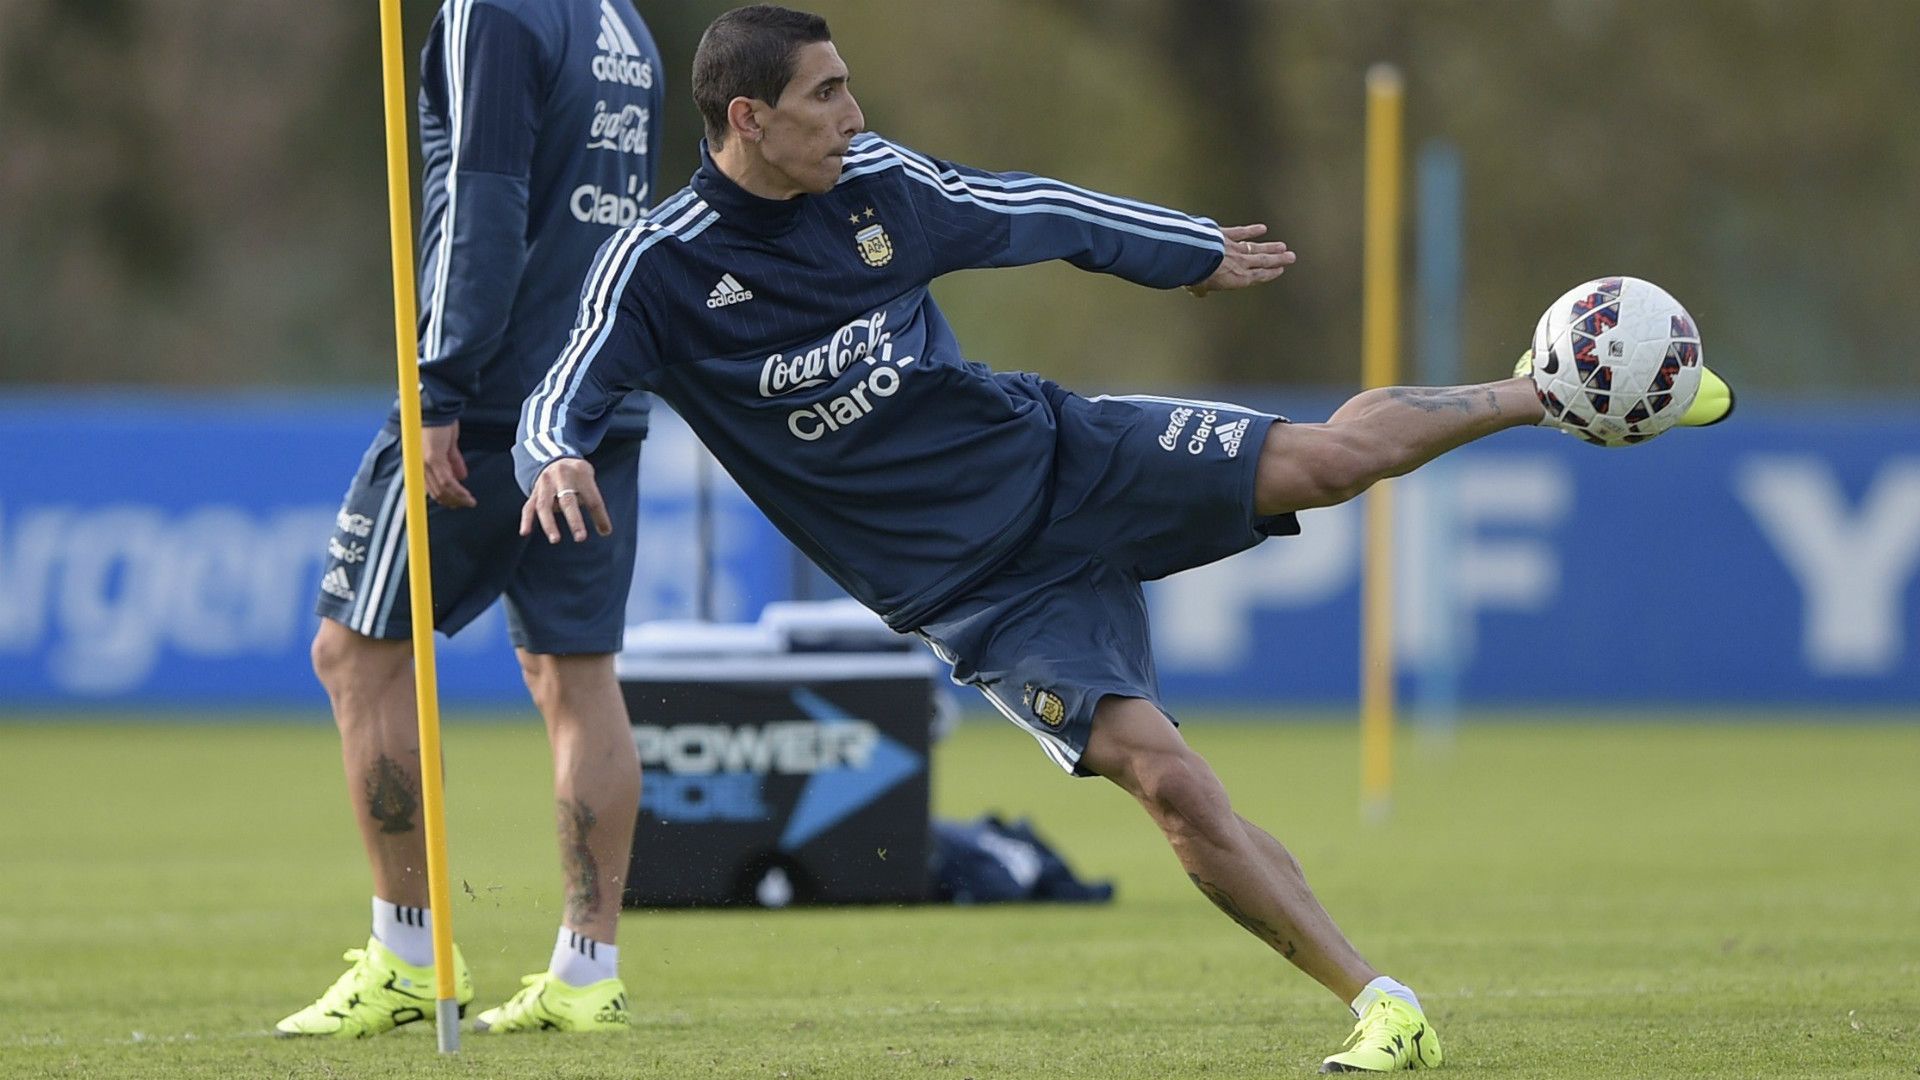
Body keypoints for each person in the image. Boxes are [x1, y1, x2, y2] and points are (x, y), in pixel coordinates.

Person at [512, 5, 1735, 1070]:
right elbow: (558, 389)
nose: (853, 111)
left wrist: (1190, 252)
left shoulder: (880, 185)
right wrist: (554, 451)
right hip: (982, 593)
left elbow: (1035, 210)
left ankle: (1554, 390)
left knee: (1327, 457)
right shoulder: (660, 269)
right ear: (747, 119)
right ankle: (1382, 1005)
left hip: (1061, 454)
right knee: (1170, 783)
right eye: (825, 94)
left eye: (848, 85)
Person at [278, 0, 664, 1039]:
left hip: (489, 401)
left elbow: (484, 204)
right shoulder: (622, 21)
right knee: (575, 674)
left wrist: (439, 386)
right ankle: (587, 971)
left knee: (355, 654)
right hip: (599, 397)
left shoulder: (486, 9)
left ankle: (408, 955)